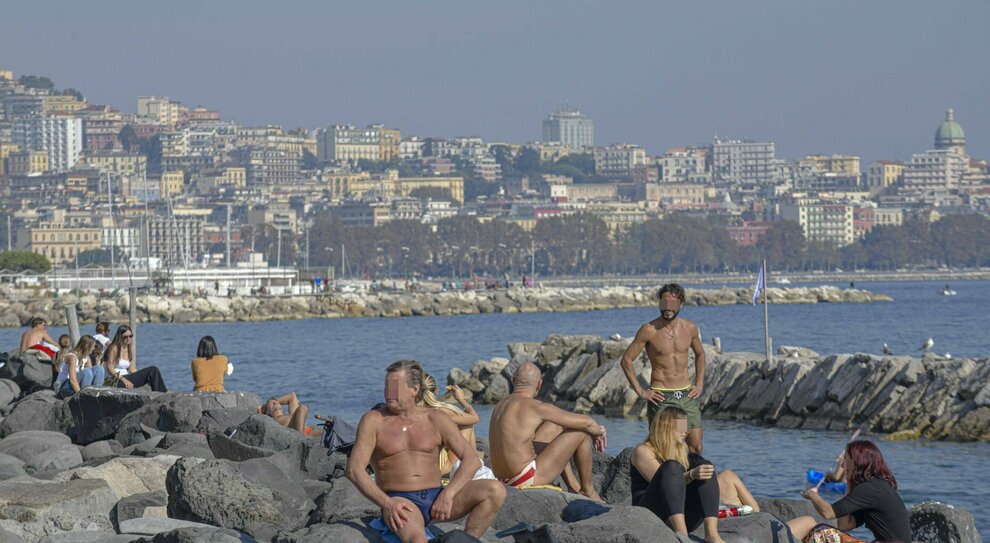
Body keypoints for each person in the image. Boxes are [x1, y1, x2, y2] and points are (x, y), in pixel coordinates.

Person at [347, 360, 506, 543]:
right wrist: (387, 504)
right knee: (417, 540)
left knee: (495, 490)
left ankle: (465, 540)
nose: (388, 391)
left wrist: (448, 494)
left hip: (437, 497)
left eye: (395, 386)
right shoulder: (373, 420)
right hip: (401, 500)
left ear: (414, 390)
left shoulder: (436, 418)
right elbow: (354, 470)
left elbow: (471, 459)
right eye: (387, 385)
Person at [489, 362, 605, 499]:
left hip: (502, 479)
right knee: (581, 433)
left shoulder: (500, 405)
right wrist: (599, 432)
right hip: (525, 479)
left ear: (513, 380)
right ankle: (588, 490)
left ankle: (573, 486)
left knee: (554, 425)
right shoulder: (536, 407)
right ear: (539, 384)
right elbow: (587, 423)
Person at [620, 283, 707, 454]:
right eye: (664, 302)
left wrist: (699, 384)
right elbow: (626, 360)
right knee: (667, 448)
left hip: (685, 396)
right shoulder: (649, 330)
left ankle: (691, 479)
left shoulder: (689, 328)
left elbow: (701, 355)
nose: (668, 308)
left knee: (694, 446)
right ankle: (667, 479)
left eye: (672, 303)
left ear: (680, 305)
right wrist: (641, 392)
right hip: (662, 397)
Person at [629, 407, 726, 543]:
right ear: (667, 427)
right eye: (682, 426)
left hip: (680, 515)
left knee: (705, 466)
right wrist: (691, 475)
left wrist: (697, 472)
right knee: (671, 467)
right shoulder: (643, 451)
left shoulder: (681, 450)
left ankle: (712, 534)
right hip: (650, 515)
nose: (686, 431)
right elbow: (664, 482)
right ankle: (682, 535)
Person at [791, 441, 912, 543]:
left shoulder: (869, 489)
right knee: (810, 523)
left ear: (859, 462)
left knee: (814, 526)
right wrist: (849, 482)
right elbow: (844, 525)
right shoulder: (876, 486)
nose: (843, 465)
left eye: (847, 460)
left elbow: (828, 513)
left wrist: (812, 495)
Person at [420, 374, 492, 479]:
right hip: (441, 469)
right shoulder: (441, 411)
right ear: (436, 392)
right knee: (466, 425)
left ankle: (473, 461)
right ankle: (473, 464)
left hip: (418, 467)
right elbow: (474, 418)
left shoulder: (409, 411)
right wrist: (461, 400)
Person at [105, 325, 168, 392]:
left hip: (127, 377)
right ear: (120, 337)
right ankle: (161, 393)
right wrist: (124, 380)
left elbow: (132, 369)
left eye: (130, 336)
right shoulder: (114, 348)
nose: (128, 338)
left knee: (152, 373)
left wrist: (141, 376)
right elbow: (110, 367)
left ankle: (161, 394)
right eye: (125, 337)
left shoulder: (129, 349)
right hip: (115, 380)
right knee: (153, 369)